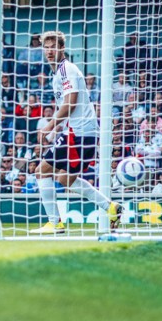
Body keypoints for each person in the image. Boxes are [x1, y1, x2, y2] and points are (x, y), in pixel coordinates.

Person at [31, 30, 121, 235]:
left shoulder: (66, 70)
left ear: (62, 48)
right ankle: (111, 208)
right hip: (80, 132)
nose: (49, 51)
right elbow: (70, 105)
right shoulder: (59, 74)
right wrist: (58, 129)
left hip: (80, 134)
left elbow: (70, 103)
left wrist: (50, 126)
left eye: (53, 47)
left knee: (41, 171)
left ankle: (55, 223)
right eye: (46, 47)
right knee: (64, 179)